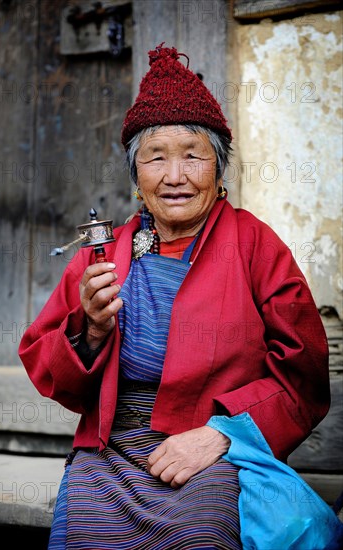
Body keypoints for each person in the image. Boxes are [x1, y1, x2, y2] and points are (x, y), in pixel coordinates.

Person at [19, 43, 331, 549]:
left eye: (193, 155)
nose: (175, 176)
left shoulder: (255, 245)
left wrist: (222, 435)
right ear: (136, 177)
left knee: (202, 531)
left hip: (214, 449)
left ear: (219, 169)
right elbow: (48, 368)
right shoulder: (104, 254)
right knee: (83, 530)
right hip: (112, 450)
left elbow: (304, 374)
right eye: (156, 158)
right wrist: (92, 331)